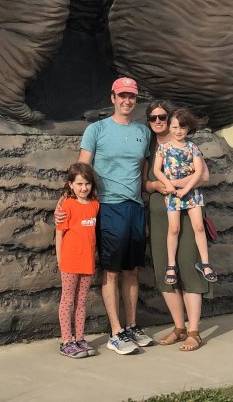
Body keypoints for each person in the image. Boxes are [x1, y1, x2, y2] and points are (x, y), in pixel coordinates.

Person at [76, 77, 153, 355]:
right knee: (112, 270)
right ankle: (116, 332)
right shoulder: (96, 130)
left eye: (131, 96)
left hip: (135, 208)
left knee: (132, 270)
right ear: (112, 98)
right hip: (108, 207)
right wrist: (71, 203)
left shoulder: (143, 133)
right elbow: (82, 170)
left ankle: (131, 325)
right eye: (122, 96)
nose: (127, 101)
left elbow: (143, 174)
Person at [144, 101, 213, 352]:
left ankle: (194, 331)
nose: (159, 121)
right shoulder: (149, 146)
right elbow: (146, 181)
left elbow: (203, 175)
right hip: (162, 216)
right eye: (154, 118)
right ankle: (179, 327)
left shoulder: (187, 145)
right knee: (166, 269)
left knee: (189, 266)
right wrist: (156, 186)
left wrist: (178, 183)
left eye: (163, 117)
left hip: (188, 209)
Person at [153, 107, 216, 286]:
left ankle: (205, 262)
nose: (178, 131)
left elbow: (199, 172)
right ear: (169, 127)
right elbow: (157, 170)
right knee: (173, 228)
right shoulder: (163, 148)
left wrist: (186, 188)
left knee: (198, 226)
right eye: (174, 127)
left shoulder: (192, 147)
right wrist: (168, 184)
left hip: (192, 193)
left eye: (182, 127)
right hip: (173, 194)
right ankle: (171, 265)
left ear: (188, 129)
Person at [55, 162, 101, 359]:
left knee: (81, 301)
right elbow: (59, 234)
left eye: (87, 184)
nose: (84, 188)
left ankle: (80, 338)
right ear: (71, 184)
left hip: (87, 261)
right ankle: (67, 341)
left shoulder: (95, 205)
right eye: (79, 184)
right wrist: (60, 259)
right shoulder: (67, 205)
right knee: (67, 300)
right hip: (70, 262)